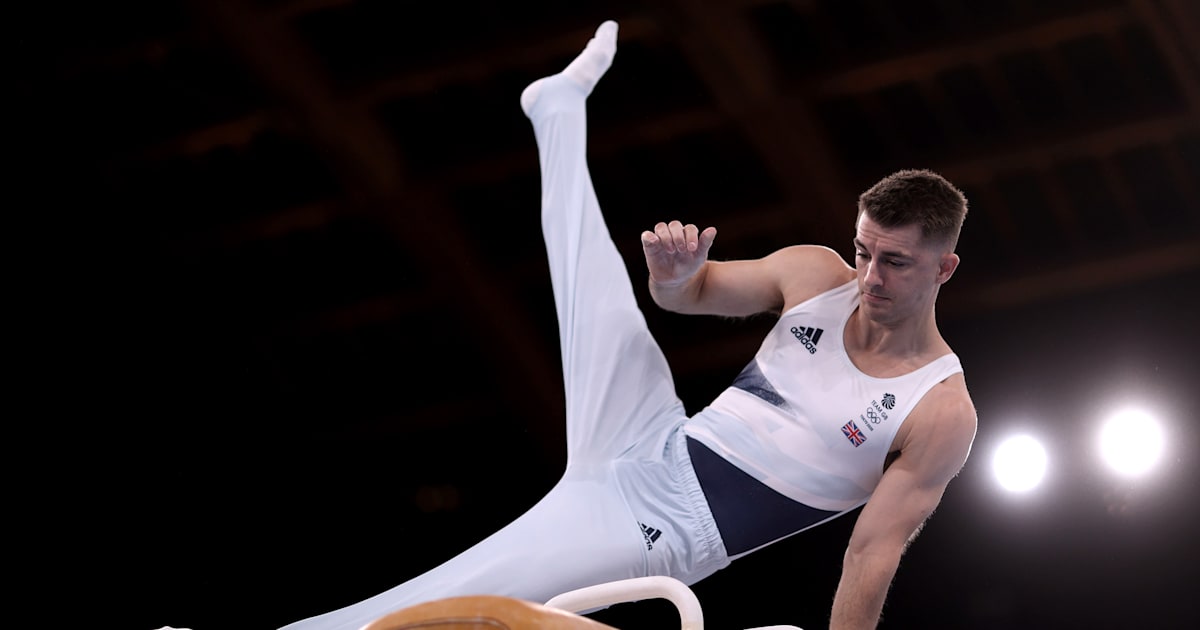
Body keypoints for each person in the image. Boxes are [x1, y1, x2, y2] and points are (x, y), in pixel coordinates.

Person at [280, 19, 976, 630]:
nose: (870, 276)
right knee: (597, 285)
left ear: (943, 269)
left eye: (895, 263)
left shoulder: (939, 411)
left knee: (452, 598)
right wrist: (674, 273)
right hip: (652, 434)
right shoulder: (817, 275)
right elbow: (689, 294)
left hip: (661, 527)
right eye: (863, 250)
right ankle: (557, 111)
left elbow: (870, 552)